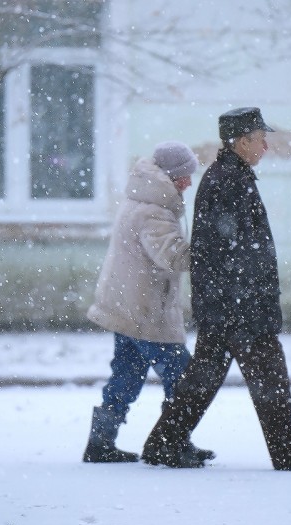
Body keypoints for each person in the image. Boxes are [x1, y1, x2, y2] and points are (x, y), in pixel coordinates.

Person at [141, 108, 291, 470]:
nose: (266, 144)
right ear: (242, 141)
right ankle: (287, 452)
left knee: (205, 377)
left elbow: (228, 250)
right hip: (239, 306)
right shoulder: (228, 180)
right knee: (268, 377)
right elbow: (224, 251)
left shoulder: (230, 177)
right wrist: (248, 303)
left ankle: (163, 444)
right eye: (261, 137)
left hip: (228, 304)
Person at [82, 141, 215, 464]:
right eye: (184, 177)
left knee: (126, 376)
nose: (188, 182)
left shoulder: (143, 199)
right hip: (145, 312)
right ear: (170, 176)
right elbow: (171, 255)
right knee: (183, 378)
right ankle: (174, 441)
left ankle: (101, 443)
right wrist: (211, 248)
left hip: (125, 307)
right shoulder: (154, 210)